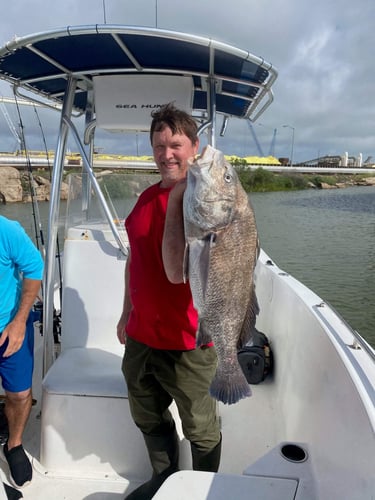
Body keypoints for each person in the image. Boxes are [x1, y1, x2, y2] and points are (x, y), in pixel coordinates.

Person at [117, 103, 221, 500]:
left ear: (194, 147)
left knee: (201, 427)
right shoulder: (144, 199)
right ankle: (165, 478)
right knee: (147, 414)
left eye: (175, 145)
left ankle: (205, 489)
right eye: (159, 146)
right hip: (142, 335)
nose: (166, 155)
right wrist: (126, 312)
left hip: (190, 340)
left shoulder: (204, 201)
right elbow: (135, 259)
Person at [0, 215, 44, 488]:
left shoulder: (6, 229)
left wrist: (19, 322)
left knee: (19, 394)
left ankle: (14, 444)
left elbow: (33, 266)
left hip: (8, 324)